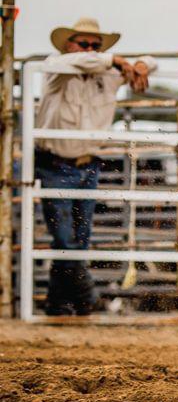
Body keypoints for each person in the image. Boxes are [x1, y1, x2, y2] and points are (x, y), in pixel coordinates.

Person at [36, 17, 156, 315]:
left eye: (95, 45)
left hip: (88, 165)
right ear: (69, 46)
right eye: (84, 44)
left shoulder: (109, 75)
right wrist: (113, 59)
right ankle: (87, 297)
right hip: (56, 164)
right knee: (67, 238)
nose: (90, 50)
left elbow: (151, 61)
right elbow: (72, 62)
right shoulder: (58, 69)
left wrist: (139, 65)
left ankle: (58, 303)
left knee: (78, 237)